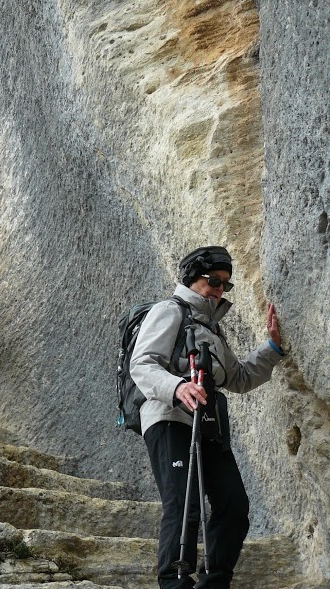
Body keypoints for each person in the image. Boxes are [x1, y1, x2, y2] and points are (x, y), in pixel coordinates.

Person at [130, 246, 285, 589]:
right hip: (169, 418)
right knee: (185, 504)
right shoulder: (169, 310)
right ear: (190, 278)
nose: (218, 290)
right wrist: (176, 388)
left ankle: (214, 584)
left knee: (233, 503)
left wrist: (272, 348)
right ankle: (175, 582)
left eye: (225, 285)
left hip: (209, 426)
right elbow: (142, 363)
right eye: (213, 281)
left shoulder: (212, 330)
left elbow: (239, 378)